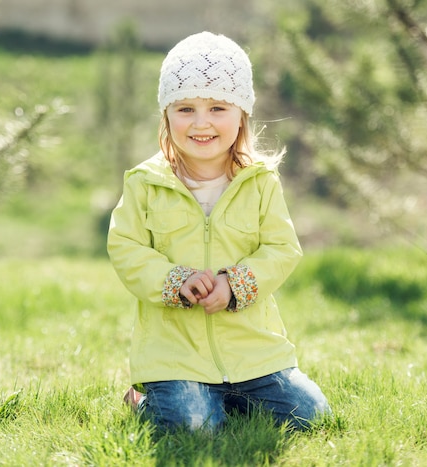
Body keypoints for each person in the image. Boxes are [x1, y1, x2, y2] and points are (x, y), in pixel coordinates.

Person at [107, 31, 331, 432]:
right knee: (192, 426)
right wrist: (175, 281)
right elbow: (127, 248)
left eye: (217, 107)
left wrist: (236, 283)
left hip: (254, 353)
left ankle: (228, 401)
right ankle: (150, 400)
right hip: (177, 355)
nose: (201, 122)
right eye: (186, 109)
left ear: (241, 113)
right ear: (167, 114)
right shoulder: (145, 183)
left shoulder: (260, 181)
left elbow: (281, 248)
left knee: (310, 416)